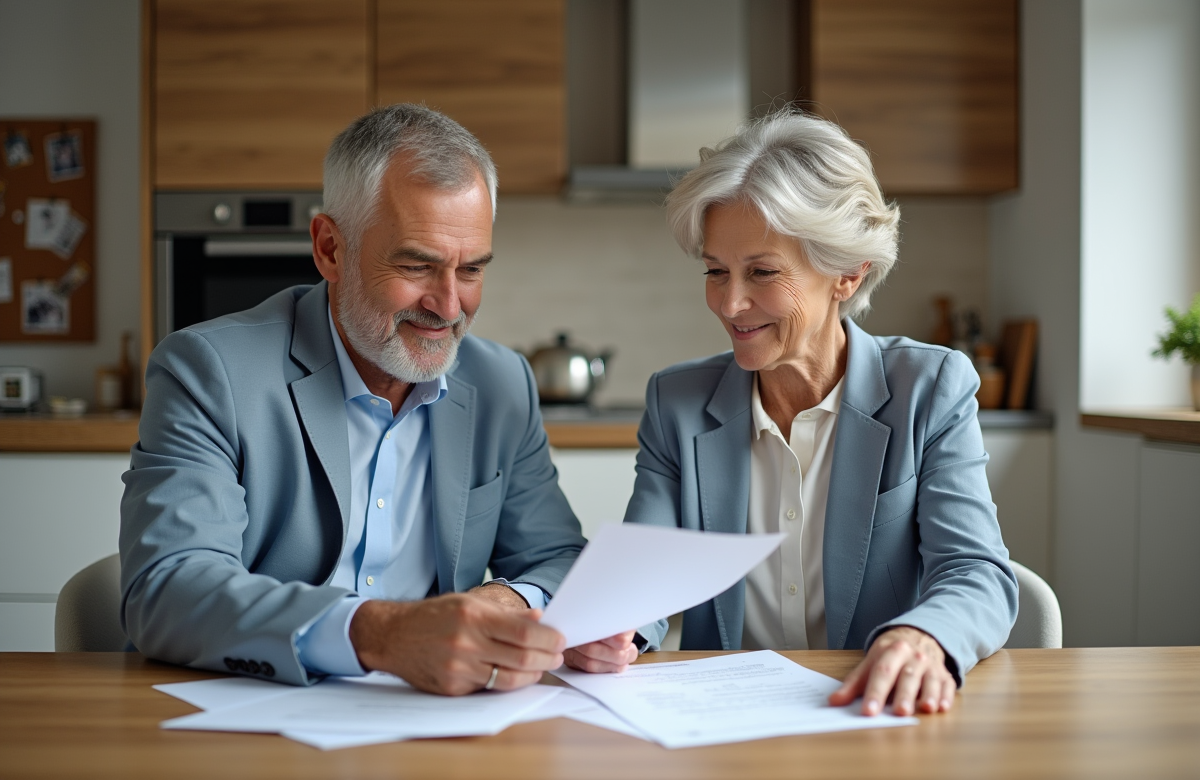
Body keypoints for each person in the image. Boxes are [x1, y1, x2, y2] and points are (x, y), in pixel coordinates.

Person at [120, 104, 637, 694]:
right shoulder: (209, 370)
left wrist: (508, 600)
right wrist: (382, 634)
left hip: (437, 716)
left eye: (471, 270)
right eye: (417, 265)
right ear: (330, 249)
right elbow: (167, 587)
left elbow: (561, 559)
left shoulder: (502, 383)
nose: (449, 306)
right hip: (254, 714)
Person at [626, 107, 1018, 717]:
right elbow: (644, 575)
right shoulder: (676, 403)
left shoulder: (929, 388)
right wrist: (618, 628)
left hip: (868, 711)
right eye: (716, 272)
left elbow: (976, 572)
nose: (730, 303)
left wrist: (923, 636)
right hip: (719, 725)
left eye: (762, 272)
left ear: (847, 274)